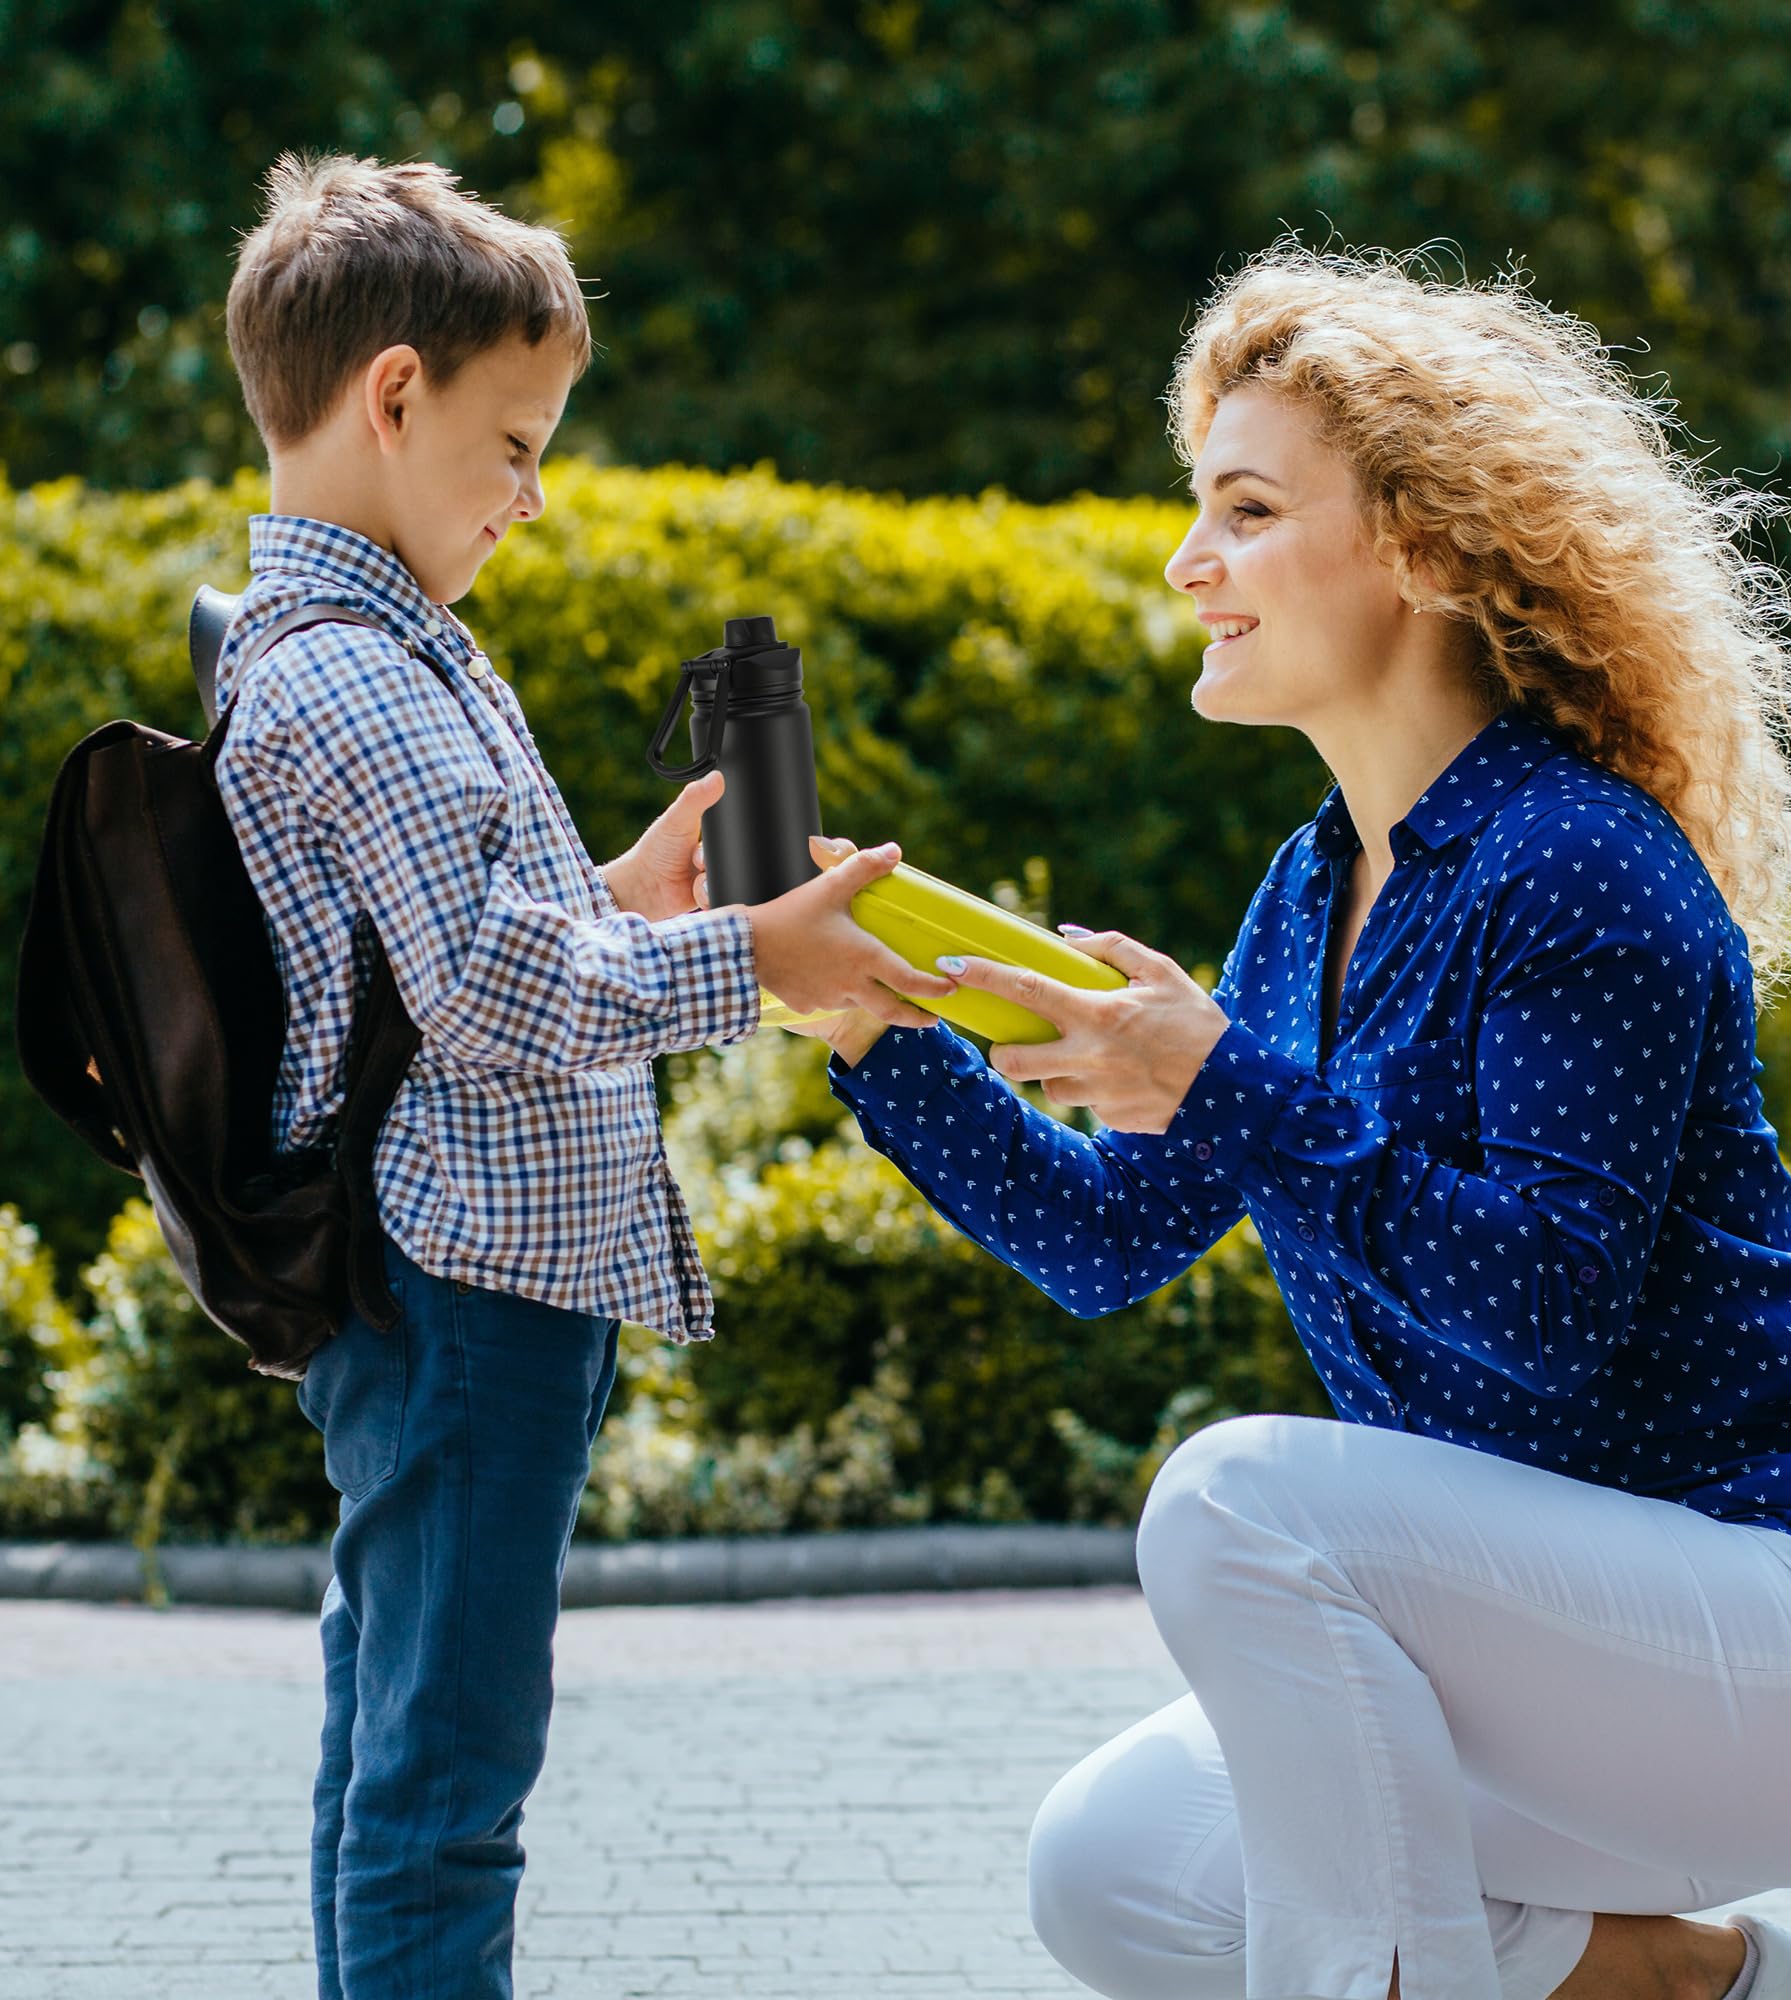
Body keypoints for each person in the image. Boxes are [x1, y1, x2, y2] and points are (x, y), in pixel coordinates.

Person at [781, 247, 1791, 2000]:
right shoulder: (1306, 897)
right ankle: (1707, 1985)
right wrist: (877, 1035)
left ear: (1422, 548)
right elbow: (1107, 1240)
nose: (1190, 562)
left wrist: (1228, 1085)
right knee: (1118, 1869)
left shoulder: (1577, 864)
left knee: (1236, 1505)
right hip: (1591, 1644)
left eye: (1248, 509)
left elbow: (1551, 1315)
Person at [213, 153, 957, 2000]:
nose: (535, 499)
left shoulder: (361, 648)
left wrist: (619, 896)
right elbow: (478, 991)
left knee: (392, 1753)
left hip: (454, 1276)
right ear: (396, 397)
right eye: (519, 444)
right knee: (447, 1788)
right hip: (477, 1290)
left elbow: (461, 939)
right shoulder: (358, 678)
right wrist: (750, 957)